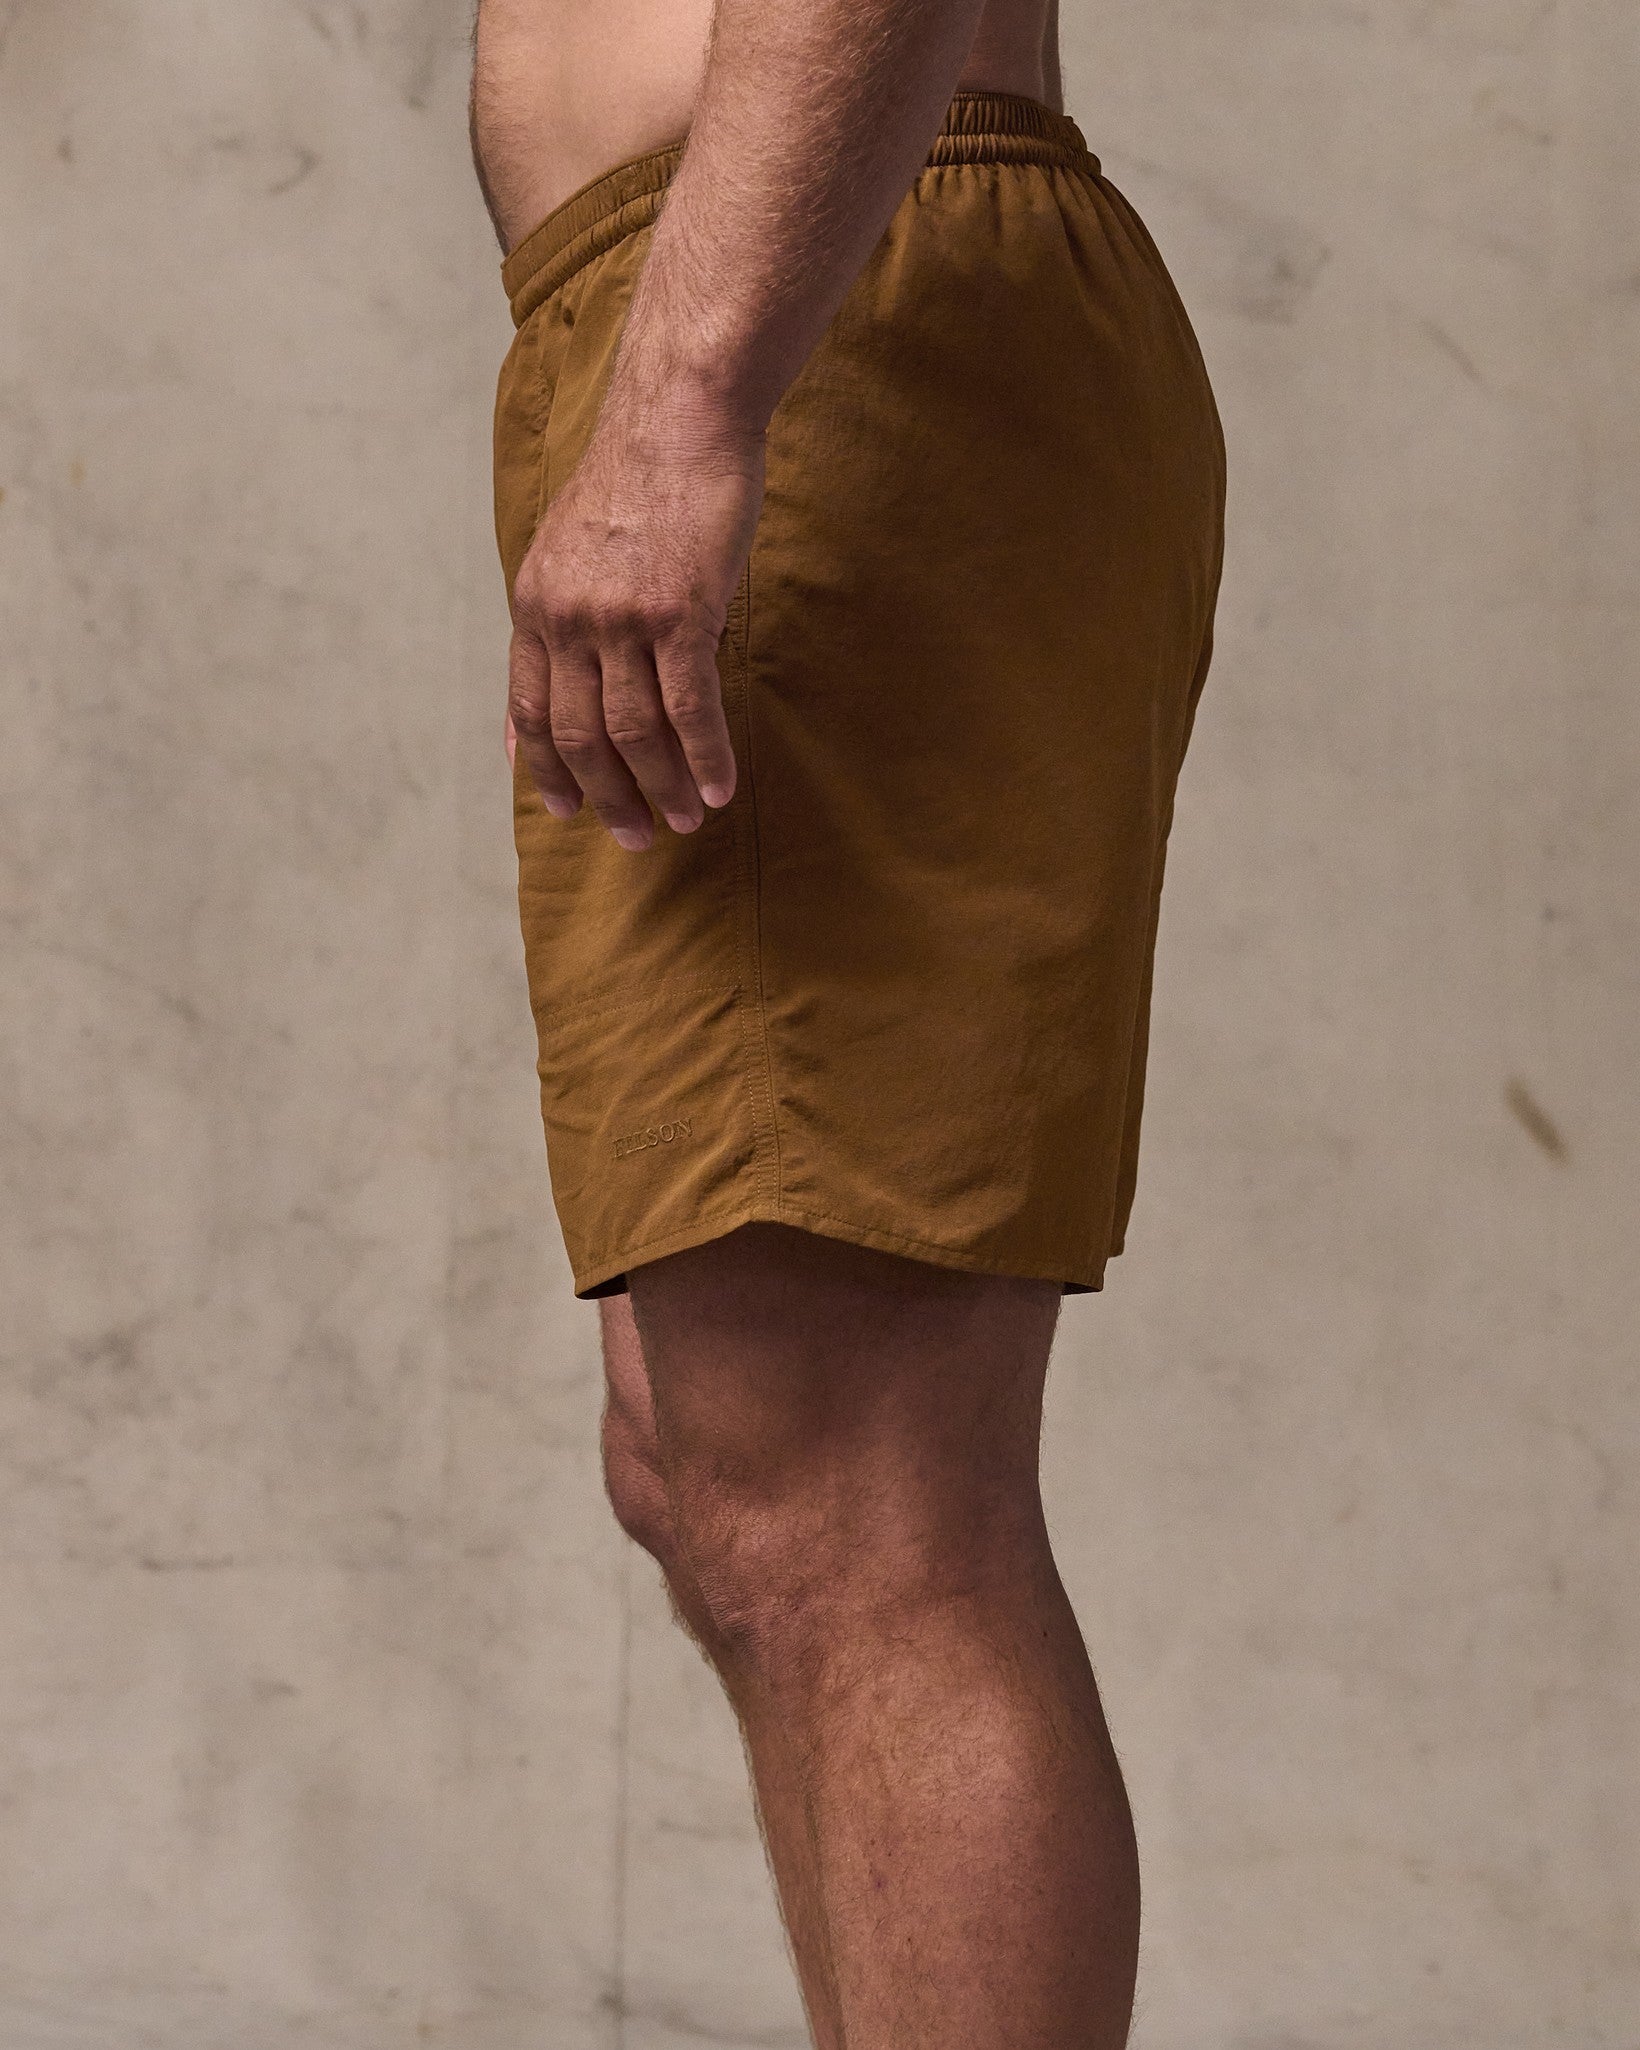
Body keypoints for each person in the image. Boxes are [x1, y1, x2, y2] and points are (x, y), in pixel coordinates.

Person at [471, 0, 1224, 2040]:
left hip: (807, 315)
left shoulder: (739, 356)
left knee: (859, 1508)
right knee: (713, 1473)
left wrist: (690, 400)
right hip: (737, 302)